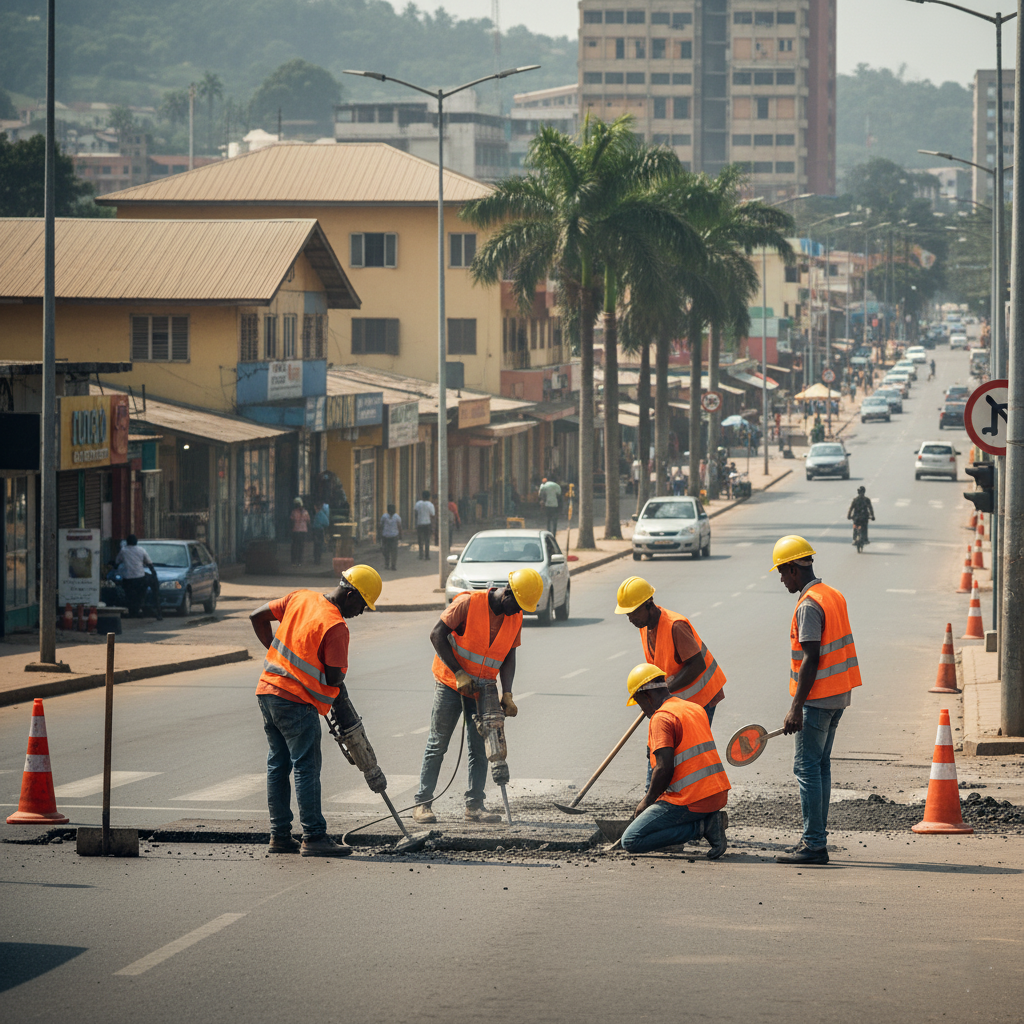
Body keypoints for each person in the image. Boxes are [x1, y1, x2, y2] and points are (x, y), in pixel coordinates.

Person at [250, 565, 385, 857]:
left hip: (267, 692)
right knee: (306, 766)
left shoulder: (300, 597)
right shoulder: (335, 625)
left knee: (278, 765)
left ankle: (280, 836)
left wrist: (274, 651)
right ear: (350, 595)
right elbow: (335, 677)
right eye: (362, 604)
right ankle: (313, 836)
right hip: (297, 702)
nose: (361, 612)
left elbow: (256, 616)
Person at [412, 568, 543, 825]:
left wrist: (507, 693)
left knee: (481, 749)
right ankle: (422, 803)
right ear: (507, 594)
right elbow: (436, 634)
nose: (519, 612)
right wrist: (459, 673)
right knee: (438, 744)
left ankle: (475, 806)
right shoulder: (468, 603)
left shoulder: (515, 617)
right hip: (451, 684)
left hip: (484, 688)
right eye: (517, 605)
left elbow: (509, 655)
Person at [771, 535, 861, 865]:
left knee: (806, 768)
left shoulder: (809, 604)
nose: (781, 579)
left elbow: (811, 657)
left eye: (782, 572)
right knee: (820, 767)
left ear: (794, 569)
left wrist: (796, 707)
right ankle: (816, 838)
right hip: (838, 694)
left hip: (817, 699)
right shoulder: (831, 594)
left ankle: (813, 844)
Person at [619, 663, 730, 858]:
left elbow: (663, 769)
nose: (641, 710)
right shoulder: (693, 708)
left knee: (631, 840)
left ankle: (703, 827)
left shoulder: (661, 718)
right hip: (717, 794)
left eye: (639, 703)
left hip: (692, 799)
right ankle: (707, 819)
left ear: (646, 696)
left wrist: (647, 801)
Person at [115, 535, 155, 618]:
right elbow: (149, 562)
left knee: (129, 595)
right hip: (140, 576)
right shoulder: (141, 550)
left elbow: (117, 561)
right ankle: (137, 611)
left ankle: (131, 611)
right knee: (139, 595)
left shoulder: (123, 551)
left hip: (128, 577)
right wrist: (153, 572)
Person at [413, 490, 435, 560]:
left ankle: (420, 555)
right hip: (427, 524)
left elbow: (415, 513)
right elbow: (432, 515)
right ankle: (427, 555)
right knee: (427, 540)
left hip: (420, 524)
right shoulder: (430, 505)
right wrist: (433, 525)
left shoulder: (418, 504)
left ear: (422, 496)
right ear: (429, 497)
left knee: (420, 540)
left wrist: (417, 521)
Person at [379, 503, 401, 570]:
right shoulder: (396, 517)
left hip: (386, 536)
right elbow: (399, 526)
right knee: (393, 552)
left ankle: (387, 564)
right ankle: (392, 565)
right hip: (393, 536)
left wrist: (380, 534)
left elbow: (381, 526)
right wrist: (400, 535)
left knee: (386, 551)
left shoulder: (384, 516)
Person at [290, 498, 310, 567]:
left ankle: (294, 561)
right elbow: (308, 521)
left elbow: (291, 521)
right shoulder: (306, 512)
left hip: (295, 531)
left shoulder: (294, 512)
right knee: (301, 547)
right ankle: (299, 561)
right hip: (303, 531)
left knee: (294, 546)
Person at [312, 501, 330, 567]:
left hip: (318, 531)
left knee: (318, 545)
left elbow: (326, 523)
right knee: (317, 545)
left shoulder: (320, 514)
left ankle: (317, 560)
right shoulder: (319, 514)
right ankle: (317, 559)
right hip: (318, 531)